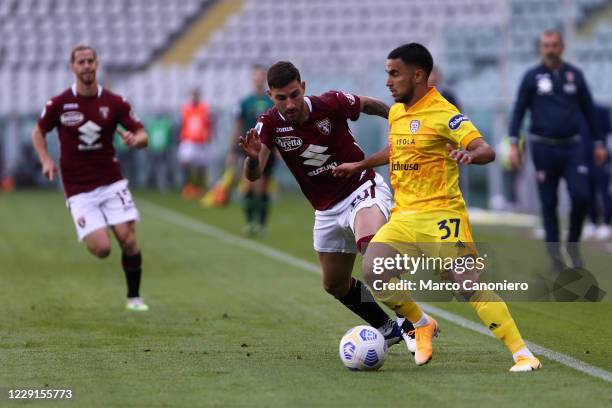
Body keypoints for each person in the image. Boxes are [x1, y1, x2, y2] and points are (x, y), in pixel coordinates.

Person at [333, 43, 541, 372]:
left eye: (394, 73)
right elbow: (396, 149)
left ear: (418, 76)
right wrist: (361, 164)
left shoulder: (444, 113)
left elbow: (485, 149)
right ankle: (420, 322)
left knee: (467, 283)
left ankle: (522, 354)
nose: (388, 81)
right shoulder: (398, 111)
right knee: (374, 270)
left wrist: (470, 155)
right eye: (387, 73)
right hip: (404, 216)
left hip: (441, 215)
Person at [239, 61, 414, 348]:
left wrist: (401, 119)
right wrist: (251, 158)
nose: (290, 103)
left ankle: (412, 323)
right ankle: (387, 328)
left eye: (295, 94)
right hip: (326, 209)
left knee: (372, 252)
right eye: (281, 98)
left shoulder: (330, 103)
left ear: (303, 87)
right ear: (270, 95)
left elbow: (368, 105)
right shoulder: (268, 124)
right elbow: (253, 174)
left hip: (361, 189)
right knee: (335, 284)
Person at [31, 44, 150, 311]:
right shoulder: (59, 104)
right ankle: (97, 225)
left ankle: (134, 297)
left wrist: (135, 139)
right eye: (81, 62)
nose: (86, 66)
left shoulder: (115, 102)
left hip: (111, 181)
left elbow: (143, 135)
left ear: (97, 64)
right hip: (79, 189)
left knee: (129, 241)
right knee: (102, 249)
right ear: (72, 67)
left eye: (90, 61)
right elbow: (38, 133)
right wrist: (46, 160)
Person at [508, 30, 607, 270]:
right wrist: (514, 143)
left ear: (562, 47)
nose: (550, 49)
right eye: (545, 45)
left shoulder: (575, 75)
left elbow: (589, 110)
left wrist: (598, 143)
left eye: (554, 45)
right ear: (541, 49)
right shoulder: (531, 77)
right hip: (542, 147)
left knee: (582, 196)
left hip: (573, 146)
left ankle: (572, 244)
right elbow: (519, 111)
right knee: (549, 203)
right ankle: (555, 256)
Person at [230, 65, 276, 236]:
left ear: (264, 78)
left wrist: (279, 149)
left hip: (268, 148)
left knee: (263, 188)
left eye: (261, 75)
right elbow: (238, 126)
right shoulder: (244, 102)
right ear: (252, 78)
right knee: (249, 185)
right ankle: (250, 223)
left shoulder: (271, 101)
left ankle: (262, 224)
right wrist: (233, 150)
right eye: (255, 75)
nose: (258, 78)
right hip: (249, 149)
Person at [581, 102, 612, 240]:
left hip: (600, 158)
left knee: (604, 190)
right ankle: (592, 221)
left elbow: (608, 133)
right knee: (588, 191)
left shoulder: (600, 110)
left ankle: (606, 222)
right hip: (583, 158)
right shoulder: (577, 112)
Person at [178, 88, 212, 200]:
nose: (194, 97)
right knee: (185, 163)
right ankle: (187, 186)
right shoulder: (186, 108)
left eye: (196, 94)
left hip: (200, 141)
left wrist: (208, 135)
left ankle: (197, 187)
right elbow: (182, 124)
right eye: (193, 94)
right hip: (188, 140)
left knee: (200, 167)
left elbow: (208, 124)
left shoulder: (204, 108)